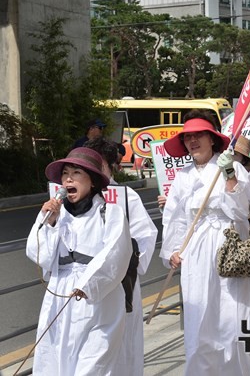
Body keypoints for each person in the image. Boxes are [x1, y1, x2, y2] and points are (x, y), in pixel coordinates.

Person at [160, 111, 250, 375]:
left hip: (230, 241)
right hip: (196, 247)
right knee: (199, 313)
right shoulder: (183, 174)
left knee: (234, 313)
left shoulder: (233, 167)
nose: (193, 141)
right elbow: (175, 215)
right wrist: (173, 249)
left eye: (199, 135)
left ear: (212, 139)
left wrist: (228, 174)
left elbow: (241, 211)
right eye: (188, 137)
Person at [26, 147, 132, 375]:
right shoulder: (55, 213)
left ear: (92, 181)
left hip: (97, 298)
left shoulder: (110, 213)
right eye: (65, 173)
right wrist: (49, 223)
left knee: (93, 365)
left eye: (76, 173)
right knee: (55, 360)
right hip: (60, 295)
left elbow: (116, 252)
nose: (68, 179)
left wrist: (88, 284)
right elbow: (37, 254)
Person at [84, 138, 158, 375]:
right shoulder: (74, 200)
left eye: (99, 165)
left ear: (112, 166)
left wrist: (122, 257)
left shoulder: (126, 196)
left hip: (119, 284)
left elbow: (145, 236)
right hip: (84, 288)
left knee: (120, 346)